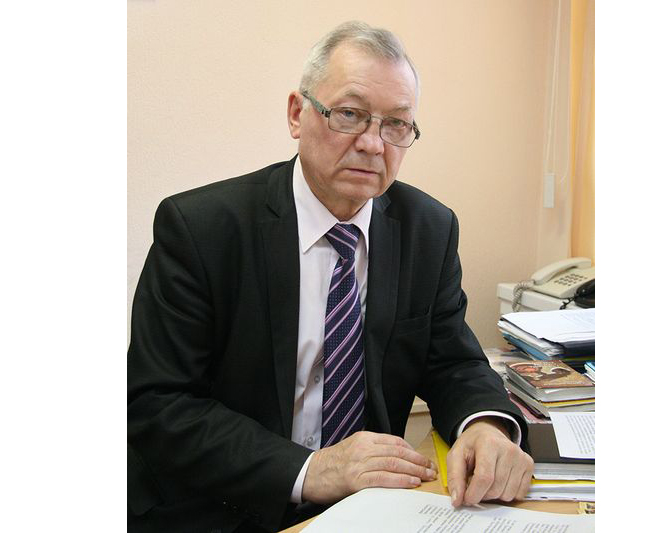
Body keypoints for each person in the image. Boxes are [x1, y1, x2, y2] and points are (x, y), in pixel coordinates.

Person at [128, 21, 534, 533]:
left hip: (363, 512)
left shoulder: (428, 229)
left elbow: (453, 361)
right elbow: (158, 405)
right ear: (297, 114)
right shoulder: (202, 229)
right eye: (349, 114)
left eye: (396, 124)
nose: (373, 143)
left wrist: (487, 425)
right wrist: (308, 470)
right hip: (220, 509)